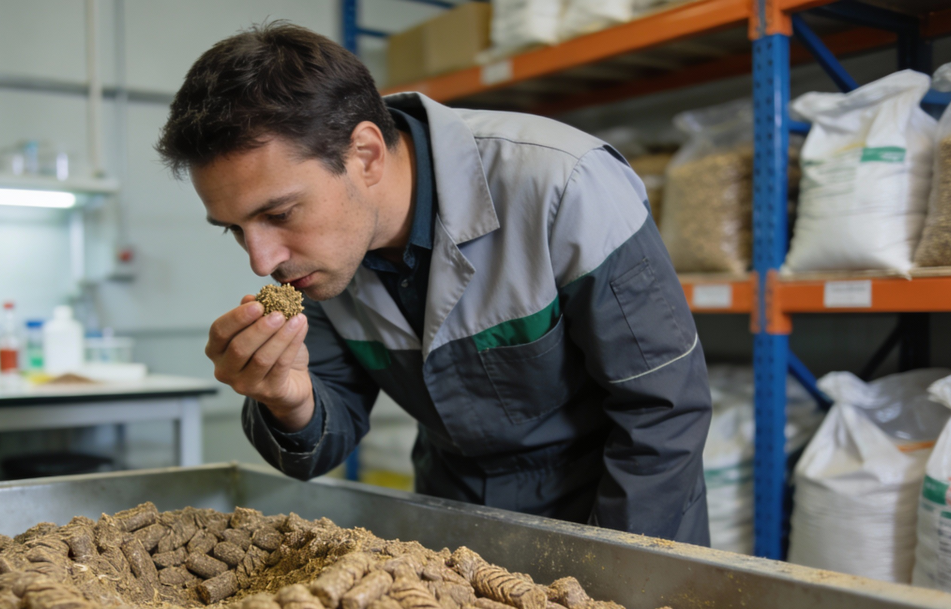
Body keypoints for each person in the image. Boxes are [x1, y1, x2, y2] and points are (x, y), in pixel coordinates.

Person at [157, 23, 711, 544]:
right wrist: (288, 399)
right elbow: (322, 442)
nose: (262, 261)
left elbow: (662, 411)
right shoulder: (320, 262)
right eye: (235, 229)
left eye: (279, 214)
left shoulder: (564, 185)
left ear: (365, 155)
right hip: (455, 518)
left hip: (613, 512)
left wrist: (613, 575)